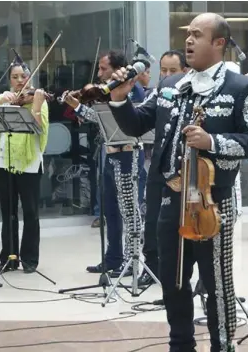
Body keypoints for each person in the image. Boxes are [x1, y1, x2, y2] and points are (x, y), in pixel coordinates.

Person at [107, 13, 248, 352]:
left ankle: (222, 345)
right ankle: (180, 344)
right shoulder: (169, 86)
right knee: (173, 279)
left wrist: (212, 143)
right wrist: (120, 98)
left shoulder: (242, 87)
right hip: (171, 196)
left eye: (198, 34)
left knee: (216, 282)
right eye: (188, 34)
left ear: (219, 43)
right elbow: (137, 124)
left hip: (214, 199)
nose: (189, 40)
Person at [63, 50, 146, 278]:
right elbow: (102, 118)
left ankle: (132, 259)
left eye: (103, 69)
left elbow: (132, 120)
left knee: (129, 210)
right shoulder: (105, 91)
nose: (100, 74)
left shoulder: (131, 89)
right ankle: (113, 259)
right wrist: (77, 106)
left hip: (128, 154)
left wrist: (84, 107)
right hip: (110, 153)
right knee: (110, 210)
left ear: (117, 69)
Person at [0, 62, 49, 273]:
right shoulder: (2, 100)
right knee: (8, 212)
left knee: (30, 213)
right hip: (5, 162)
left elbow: (41, 130)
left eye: (23, 76)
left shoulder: (37, 100)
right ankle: (9, 258)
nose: (20, 81)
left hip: (28, 164)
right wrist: (2, 101)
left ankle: (30, 259)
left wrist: (36, 107)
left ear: (29, 79)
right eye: (15, 77)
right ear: (9, 80)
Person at [139, 50, 188, 287]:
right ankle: (150, 265)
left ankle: (176, 270)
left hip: (183, 168)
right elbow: (138, 117)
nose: (166, 75)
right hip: (158, 166)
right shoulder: (158, 94)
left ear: (185, 72)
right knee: (152, 219)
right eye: (164, 71)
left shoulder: (190, 95)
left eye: (173, 71)